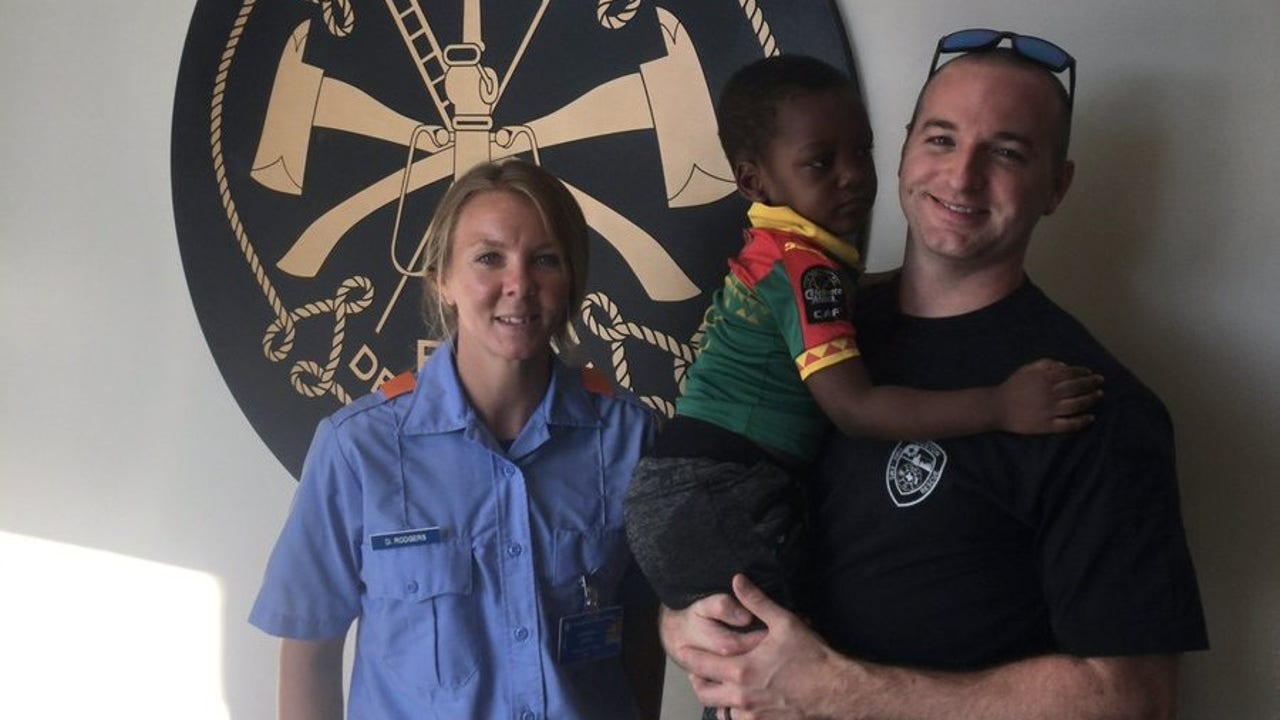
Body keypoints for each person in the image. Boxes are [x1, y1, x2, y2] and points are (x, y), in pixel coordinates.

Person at [662, 31, 1209, 720]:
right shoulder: (814, 326)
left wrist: (833, 690)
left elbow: (1134, 700)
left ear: (1056, 186)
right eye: (942, 139)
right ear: (902, 152)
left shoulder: (1088, 402)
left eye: (1007, 152)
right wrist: (681, 620)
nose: (962, 175)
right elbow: (708, 508)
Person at [624, 54, 1102, 615]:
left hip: (693, 485)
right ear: (754, 181)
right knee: (779, 647)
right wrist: (1001, 405)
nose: (852, 174)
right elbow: (857, 409)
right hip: (718, 488)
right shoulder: (807, 270)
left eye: (862, 151)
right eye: (820, 162)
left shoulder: (791, 253)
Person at [249, 159, 665, 720]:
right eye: (489, 258)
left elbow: (641, 635)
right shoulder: (358, 450)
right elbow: (309, 651)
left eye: (545, 259)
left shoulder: (628, 440)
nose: (519, 284)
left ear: (572, 281)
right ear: (442, 279)